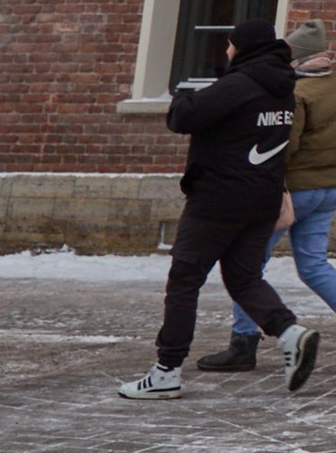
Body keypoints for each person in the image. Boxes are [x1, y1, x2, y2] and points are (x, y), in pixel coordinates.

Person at [119, 20, 322, 401]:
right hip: (261, 200)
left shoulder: (239, 85)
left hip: (218, 200)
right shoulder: (282, 89)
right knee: (244, 278)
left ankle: (166, 371)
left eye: (230, 46)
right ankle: (291, 334)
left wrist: (183, 96)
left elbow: (182, 118)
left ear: (242, 48)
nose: (226, 51)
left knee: (184, 280)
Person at [197, 20, 336, 377]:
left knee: (247, 266)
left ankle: (243, 343)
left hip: (292, 192)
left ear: (297, 60)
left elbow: (284, 147)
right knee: (314, 263)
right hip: (329, 187)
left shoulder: (297, 95)